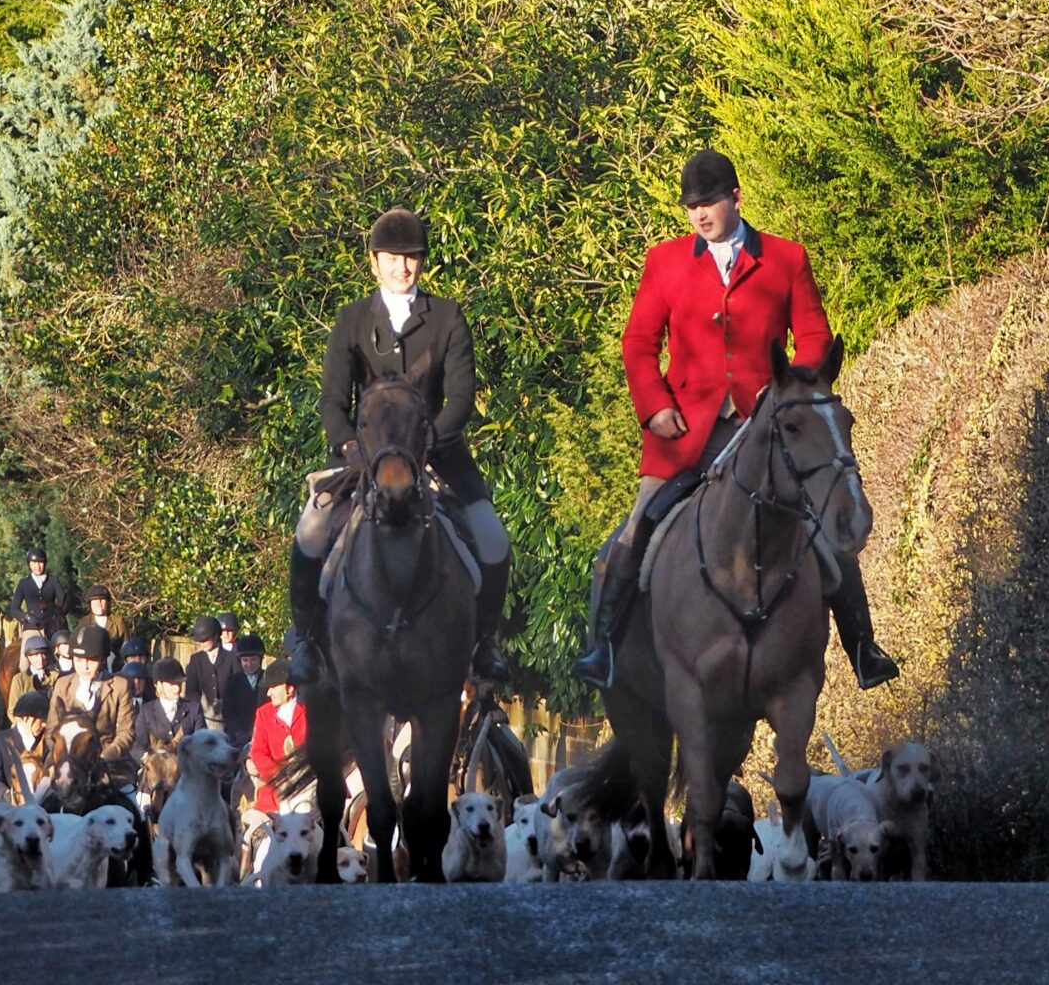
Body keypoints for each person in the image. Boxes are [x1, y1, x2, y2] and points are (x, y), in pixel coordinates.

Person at [570, 147, 899, 691]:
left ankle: (862, 646)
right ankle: (602, 648)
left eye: (709, 203)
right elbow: (638, 344)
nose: (699, 215)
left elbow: (814, 334)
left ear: (736, 198)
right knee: (639, 525)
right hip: (686, 431)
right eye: (692, 206)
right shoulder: (664, 262)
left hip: (767, 428)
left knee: (820, 526)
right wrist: (655, 408)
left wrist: (793, 389)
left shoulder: (786, 259)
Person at [287, 207, 512, 686]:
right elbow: (332, 401)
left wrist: (426, 444)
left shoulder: (448, 317)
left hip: (436, 453)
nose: (402, 267)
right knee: (310, 528)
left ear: (422, 263)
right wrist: (350, 447)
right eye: (392, 258)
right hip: (362, 458)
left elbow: (461, 397)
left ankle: (484, 643)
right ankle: (306, 639)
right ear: (374, 262)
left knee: (493, 538)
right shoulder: (351, 320)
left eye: (411, 258)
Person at [46, 624, 136, 789]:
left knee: (131, 800)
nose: (84, 666)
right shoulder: (62, 685)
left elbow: (126, 732)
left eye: (91, 660)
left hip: (109, 765)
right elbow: (51, 730)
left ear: (102, 659)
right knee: (38, 797)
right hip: (65, 763)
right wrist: (64, 758)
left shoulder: (119, 686)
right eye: (79, 660)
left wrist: (104, 756)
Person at [245, 663, 314, 822]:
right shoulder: (263, 713)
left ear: (290, 689)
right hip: (273, 793)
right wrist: (280, 776)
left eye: (273, 687)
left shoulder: (311, 713)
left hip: (308, 790)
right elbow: (258, 752)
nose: (269, 692)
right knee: (250, 834)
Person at [0, 690, 52, 808]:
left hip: (39, 806)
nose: (44, 725)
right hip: (7, 802)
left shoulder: (47, 744)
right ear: (25, 719)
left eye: (45, 722)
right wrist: (7, 794)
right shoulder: (1, 740)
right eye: (41, 721)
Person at [133, 656, 204, 759]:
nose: (177, 688)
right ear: (158, 685)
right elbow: (137, 745)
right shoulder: (146, 711)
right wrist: (146, 758)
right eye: (171, 684)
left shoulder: (194, 708)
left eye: (179, 683)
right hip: (156, 768)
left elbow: (202, 742)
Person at [183, 615, 234, 736]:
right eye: (199, 641)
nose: (201, 643)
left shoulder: (231, 658)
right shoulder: (196, 660)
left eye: (204, 639)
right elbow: (191, 692)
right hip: (203, 719)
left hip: (228, 720)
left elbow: (237, 690)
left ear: (216, 636)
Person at [222, 633, 268, 751]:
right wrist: (238, 732)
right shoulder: (233, 681)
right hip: (238, 737)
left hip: (264, 734)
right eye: (245, 660)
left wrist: (257, 732)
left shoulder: (267, 679)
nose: (249, 664)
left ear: (261, 659)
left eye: (253, 660)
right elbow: (228, 712)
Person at [11, 549, 70, 638]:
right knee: (25, 651)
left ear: (45, 564)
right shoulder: (23, 583)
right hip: (31, 628)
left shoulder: (53, 581)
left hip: (53, 628)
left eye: (40, 562)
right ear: (29, 564)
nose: (37, 566)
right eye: (34, 563)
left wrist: (56, 616)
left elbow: (64, 602)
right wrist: (26, 617)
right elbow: (14, 609)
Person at [6, 629, 58, 713]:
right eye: (36, 655)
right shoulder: (19, 679)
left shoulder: (55, 676)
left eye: (43, 654)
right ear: (28, 657)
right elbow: (12, 711)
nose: (40, 659)